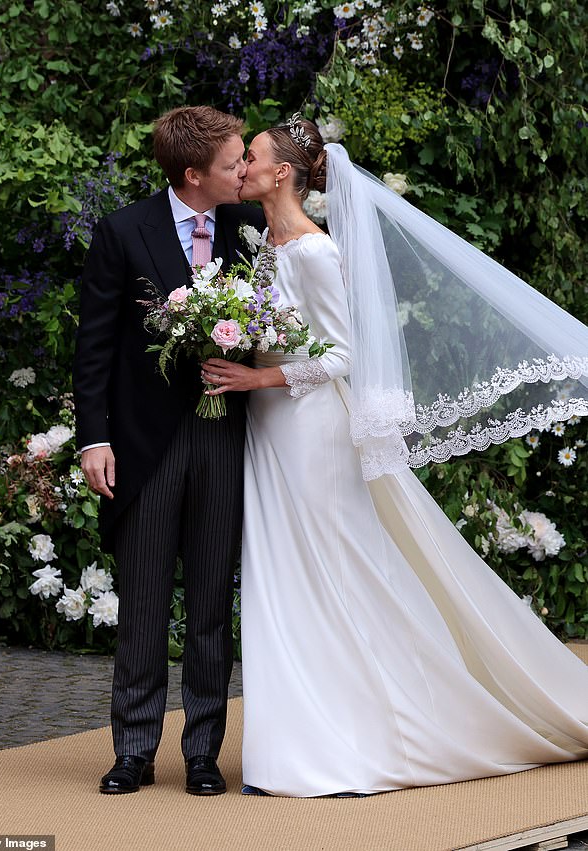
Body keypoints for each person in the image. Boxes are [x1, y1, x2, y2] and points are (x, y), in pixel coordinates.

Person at [201, 117, 588, 797]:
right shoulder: (269, 245)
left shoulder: (317, 253)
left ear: (281, 173)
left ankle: (360, 737)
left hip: (309, 428)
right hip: (268, 428)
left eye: (251, 159)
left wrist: (256, 377)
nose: (241, 169)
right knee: (281, 578)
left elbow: (343, 354)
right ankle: (293, 743)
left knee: (333, 571)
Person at [73, 106, 264, 796]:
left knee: (212, 602)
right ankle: (132, 750)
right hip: (144, 445)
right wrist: (94, 437)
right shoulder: (123, 231)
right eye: (233, 162)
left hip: (224, 437)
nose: (244, 169)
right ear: (193, 174)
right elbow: (93, 346)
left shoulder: (252, 232)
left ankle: (205, 752)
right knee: (145, 605)